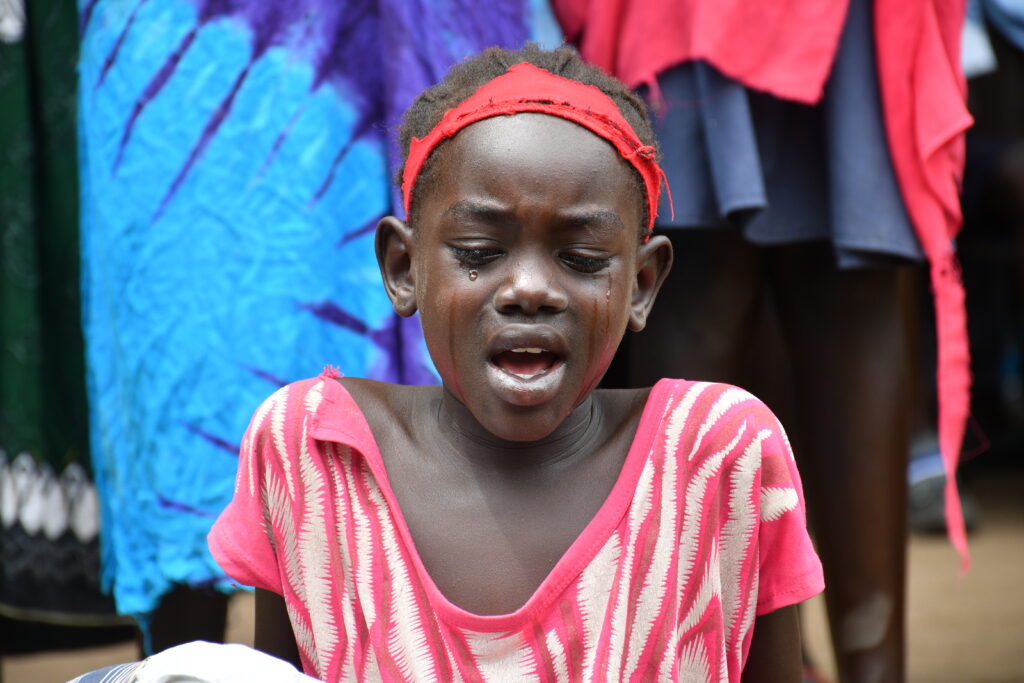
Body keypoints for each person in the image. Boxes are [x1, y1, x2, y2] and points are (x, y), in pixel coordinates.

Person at [207, 45, 824, 682]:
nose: (529, 289)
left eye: (582, 258)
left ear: (641, 286)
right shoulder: (317, 458)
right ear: (402, 268)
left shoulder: (713, 460)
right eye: (479, 251)